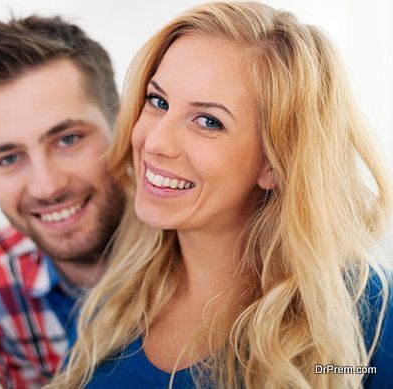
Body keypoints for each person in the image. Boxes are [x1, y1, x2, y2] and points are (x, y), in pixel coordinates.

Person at [48, 2, 393, 388]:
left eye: (208, 121)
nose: (155, 142)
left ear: (274, 164)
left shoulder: (368, 314)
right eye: (157, 101)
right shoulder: (113, 300)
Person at [0, 15, 124, 388]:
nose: (46, 187)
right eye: (9, 158)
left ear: (122, 128)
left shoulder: (205, 251)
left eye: (68, 139)